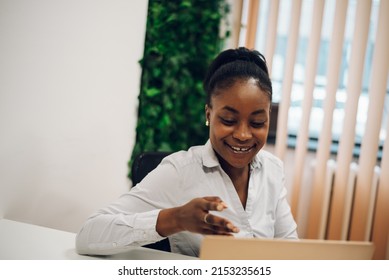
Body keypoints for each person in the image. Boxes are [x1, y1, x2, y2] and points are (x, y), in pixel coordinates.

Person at [76, 47, 298, 257]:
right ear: (209, 114)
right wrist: (174, 219)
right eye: (228, 120)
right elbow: (88, 234)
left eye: (257, 122)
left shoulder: (272, 169)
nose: (243, 135)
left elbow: (291, 252)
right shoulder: (180, 172)